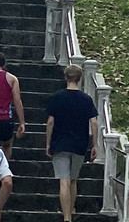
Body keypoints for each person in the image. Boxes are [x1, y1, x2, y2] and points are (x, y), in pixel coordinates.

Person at [45, 64, 98, 222]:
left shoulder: (57, 97)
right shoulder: (86, 99)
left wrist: (48, 143)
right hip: (79, 144)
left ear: (65, 77)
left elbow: (50, 122)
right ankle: (71, 210)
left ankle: (66, 217)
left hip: (60, 143)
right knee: (73, 178)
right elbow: (94, 122)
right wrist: (94, 144)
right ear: (80, 78)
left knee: (64, 180)